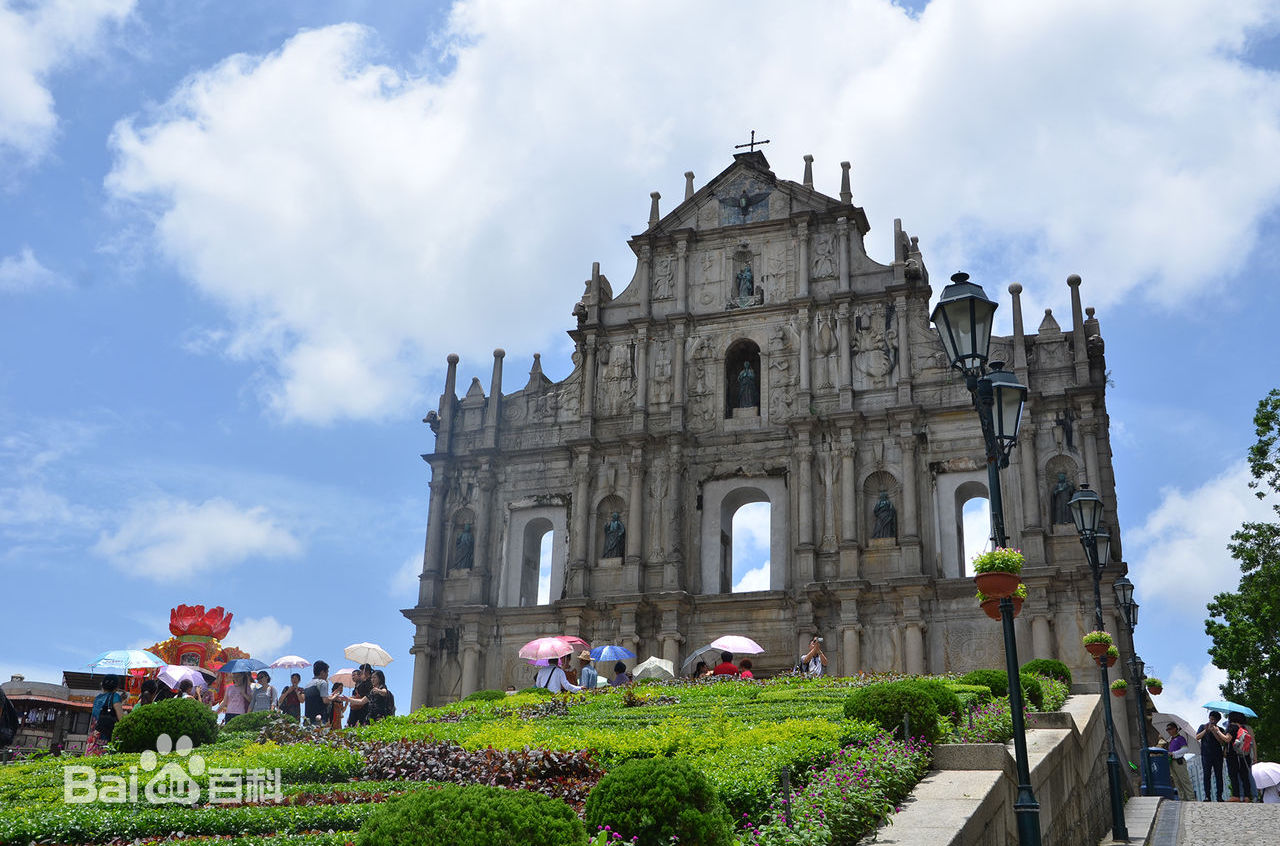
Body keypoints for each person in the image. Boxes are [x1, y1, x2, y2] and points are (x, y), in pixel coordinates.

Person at [87, 676, 124, 755]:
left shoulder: (98, 698)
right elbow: (121, 718)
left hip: (93, 736)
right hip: (106, 736)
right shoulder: (115, 696)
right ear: (116, 686)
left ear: (102, 685)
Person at [1196, 711, 1227, 801]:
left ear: (1218, 720)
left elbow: (1222, 743)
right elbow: (1197, 737)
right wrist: (1206, 730)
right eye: (1211, 719)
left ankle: (1219, 796)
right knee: (1206, 775)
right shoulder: (1202, 726)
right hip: (1206, 754)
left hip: (1218, 755)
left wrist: (1215, 732)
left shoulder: (1220, 729)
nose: (1212, 721)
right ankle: (1207, 796)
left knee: (1219, 775)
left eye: (1214, 720)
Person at [1224, 712, 1255, 802]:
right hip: (1244, 755)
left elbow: (1227, 739)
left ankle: (1236, 795)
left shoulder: (1231, 726)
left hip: (1233, 755)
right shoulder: (1244, 728)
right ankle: (1247, 796)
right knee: (1245, 776)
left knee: (1233, 775)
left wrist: (1218, 731)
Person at [1166, 722, 1195, 801]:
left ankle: (1191, 798)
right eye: (1167, 729)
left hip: (1179, 761)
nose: (1168, 731)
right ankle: (1182, 798)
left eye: (1170, 729)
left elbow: (1185, 749)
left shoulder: (1180, 738)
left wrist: (1173, 753)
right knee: (1177, 781)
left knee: (1184, 780)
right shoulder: (1171, 740)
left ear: (1175, 729)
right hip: (1172, 762)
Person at [304, 661, 337, 726]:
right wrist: (334, 697)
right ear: (322, 672)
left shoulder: (307, 684)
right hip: (319, 719)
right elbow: (325, 700)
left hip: (307, 719)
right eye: (327, 672)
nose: (327, 674)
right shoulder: (322, 682)